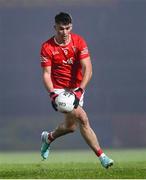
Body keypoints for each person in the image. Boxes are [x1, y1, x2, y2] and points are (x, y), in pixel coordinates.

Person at [40, 12, 114, 169]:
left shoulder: (79, 42)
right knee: (83, 118)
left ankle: (48, 138)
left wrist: (80, 89)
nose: (65, 33)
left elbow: (88, 68)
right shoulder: (47, 47)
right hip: (60, 90)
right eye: (61, 29)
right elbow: (46, 74)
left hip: (76, 88)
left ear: (71, 27)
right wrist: (53, 94)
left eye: (67, 28)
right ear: (55, 28)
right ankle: (102, 157)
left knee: (71, 127)